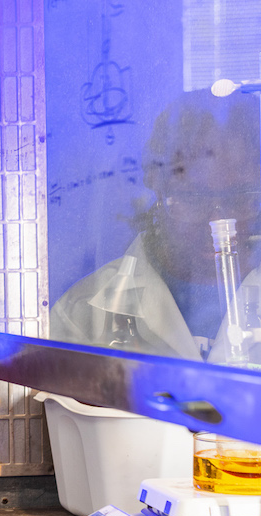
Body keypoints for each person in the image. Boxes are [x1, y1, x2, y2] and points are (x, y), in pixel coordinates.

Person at [51, 89, 261, 364]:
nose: (217, 224)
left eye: (239, 198)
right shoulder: (83, 315)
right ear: (155, 184)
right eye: (193, 198)